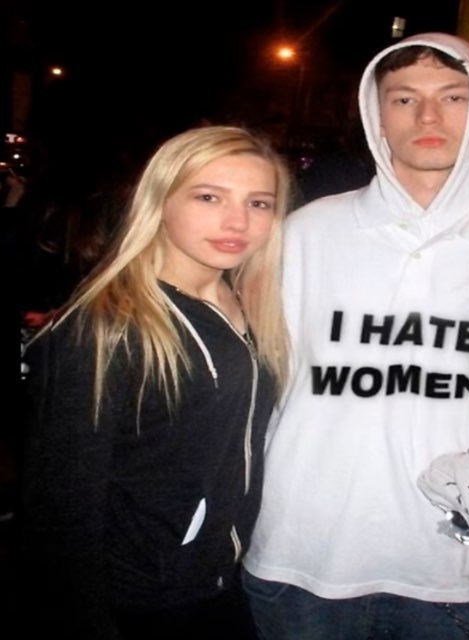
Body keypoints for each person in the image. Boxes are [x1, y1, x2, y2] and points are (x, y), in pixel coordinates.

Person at [242, 33, 469, 639]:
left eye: (452, 97)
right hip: (302, 559)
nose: (428, 116)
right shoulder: (306, 234)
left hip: (458, 568)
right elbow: (252, 374)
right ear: (376, 115)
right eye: (403, 99)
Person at [19, 125, 290, 639]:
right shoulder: (109, 324)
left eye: (258, 203)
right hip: (142, 598)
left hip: (222, 579)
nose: (238, 221)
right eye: (209, 197)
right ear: (160, 201)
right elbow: (61, 504)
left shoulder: (248, 303)